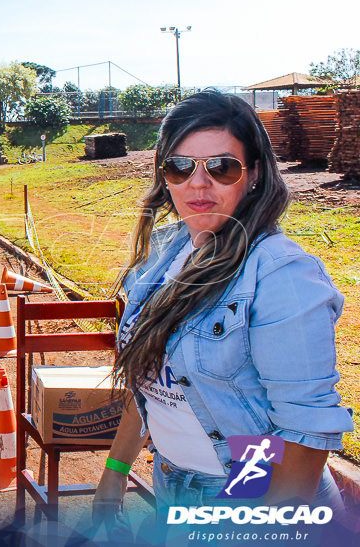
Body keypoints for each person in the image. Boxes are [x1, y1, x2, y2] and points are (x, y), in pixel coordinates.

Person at [93, 91, 353, 539]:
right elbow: (152, 375)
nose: (198, 184)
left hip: (253, 491)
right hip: (174, 483)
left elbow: (305, 435)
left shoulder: (280, 274)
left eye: (221, 167)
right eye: (180, 167)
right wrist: (116, 470)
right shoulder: (165, 253)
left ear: (252, 176)